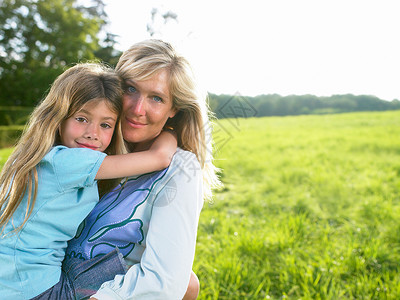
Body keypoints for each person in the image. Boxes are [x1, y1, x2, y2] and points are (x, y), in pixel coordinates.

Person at [0, 62, 177, 299]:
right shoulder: (67, 162)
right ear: (59, 117)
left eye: (105, 125)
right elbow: (159, 157)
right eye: (82, 119)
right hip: (40, 291)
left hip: (16, 285)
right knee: (159, 276)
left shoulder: (44, 158)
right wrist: (174, 130)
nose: (92, 133)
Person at [65, 39, 221, 300]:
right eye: (130, 89)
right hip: (39, 277)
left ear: (175, 109)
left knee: (188, 284)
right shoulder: (88, 139)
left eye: (157, 98)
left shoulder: (179, 168)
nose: (137, 109)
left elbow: (164, 280)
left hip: (98, 292)